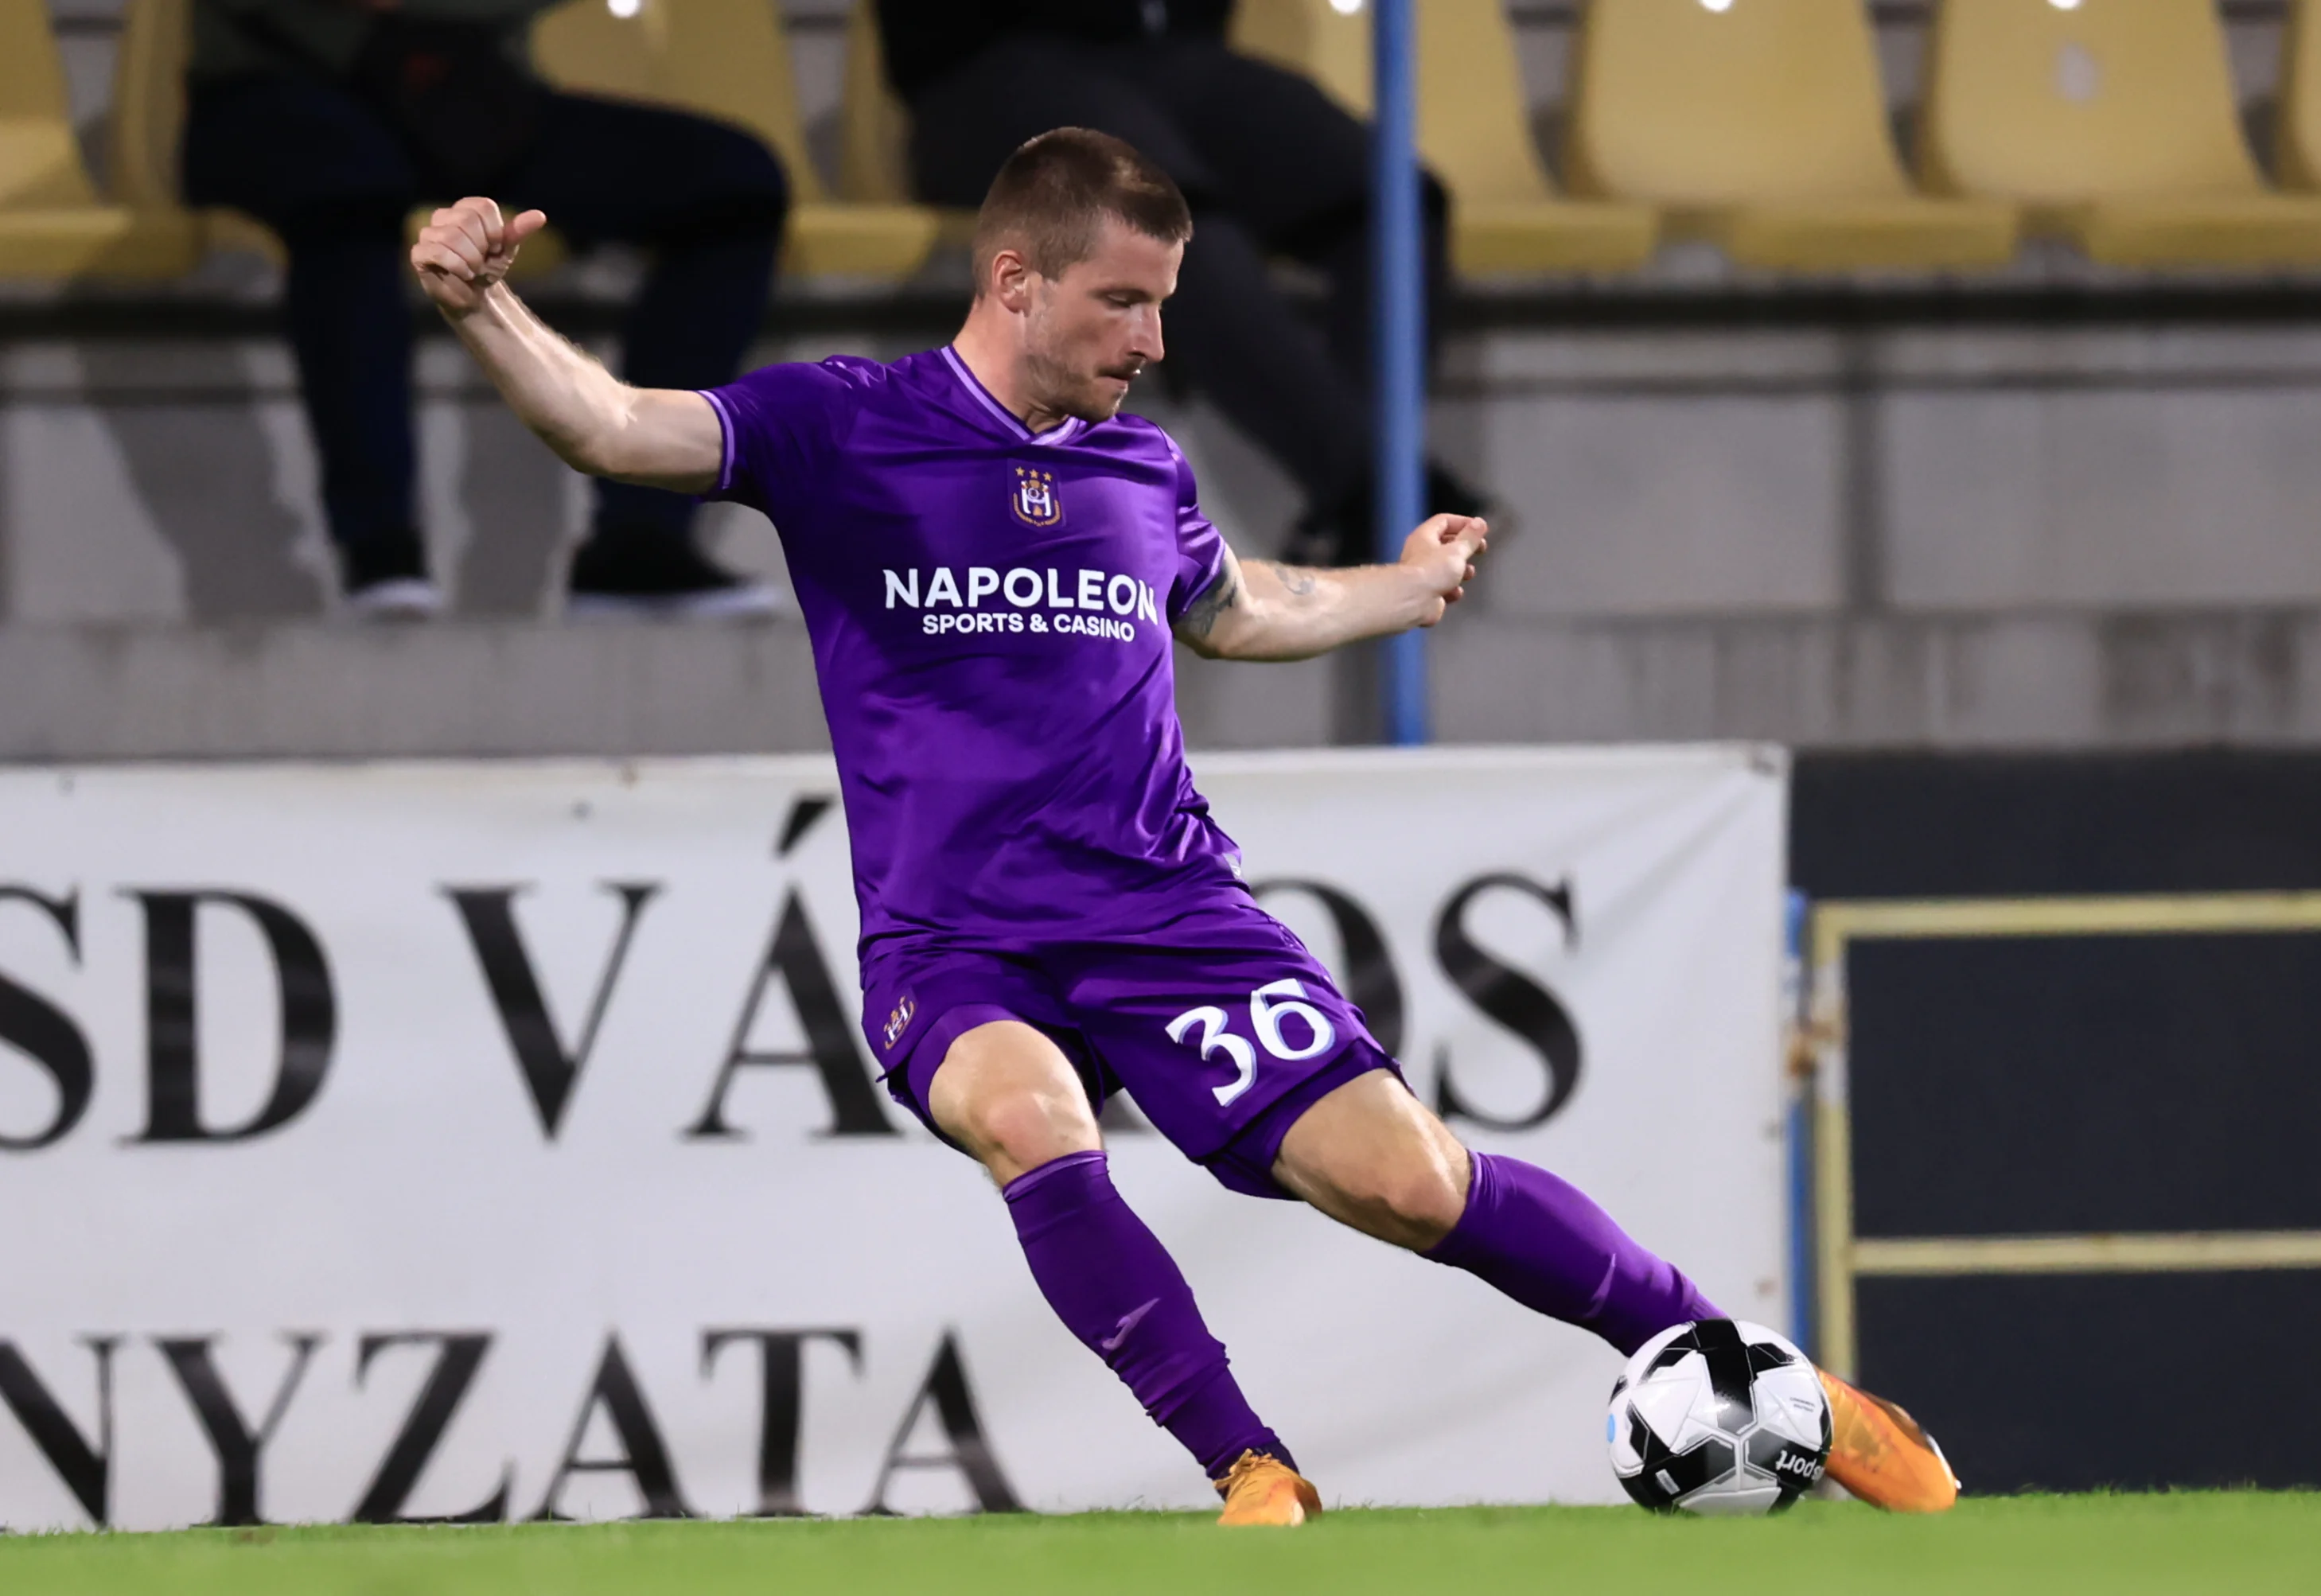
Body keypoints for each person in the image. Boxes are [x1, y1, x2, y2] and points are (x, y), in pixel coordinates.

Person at [408, 127, 1958, 1523]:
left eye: (1162, 305)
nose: (1153, 342)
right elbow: (614, 427)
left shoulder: (1141, 468)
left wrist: (1406, 590)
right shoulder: (844, 427)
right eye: (1123, 303)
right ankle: (1252, 1466)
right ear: (1014, 282)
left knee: (1404, 1181)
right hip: (954, 934)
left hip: (1165, 914)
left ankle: (1783, 1390)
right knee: (1028, 1121)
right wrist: (483, 307)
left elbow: (1237, 609)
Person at [182, 0, 785, 617]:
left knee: (734, 186)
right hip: (277, 87)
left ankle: (639, 541)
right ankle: (379, 550)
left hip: (455, 92)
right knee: (349, 188)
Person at [878, 0, 1493, 566]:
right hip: (988, 68)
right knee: (1160, 215)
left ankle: (1365, 483)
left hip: (1169, 56)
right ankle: (1377, 489)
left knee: (1395, 201)